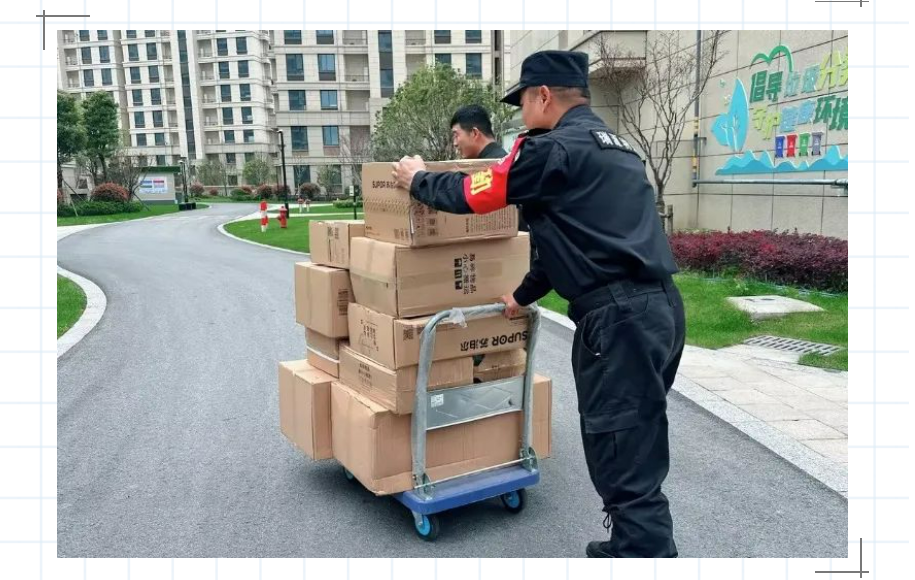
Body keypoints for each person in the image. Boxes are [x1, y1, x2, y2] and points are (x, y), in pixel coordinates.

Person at [392, 50, 685, 559]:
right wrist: (522, 295)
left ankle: (641, 552)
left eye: (523, 101)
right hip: (660, 311)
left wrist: (417, 179)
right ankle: (635, 543)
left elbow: (474, 194)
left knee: (621, 446)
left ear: (544, 96)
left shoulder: (549, 151)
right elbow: (572, 240)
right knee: (639, 437)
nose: (521, 114)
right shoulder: (619, 150)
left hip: (618, 321)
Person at [450, 104, 534, 266]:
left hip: (508, 262)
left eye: (456, 135)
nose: (455, 143)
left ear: (474, 133)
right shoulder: (502, 161)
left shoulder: (494, 169)